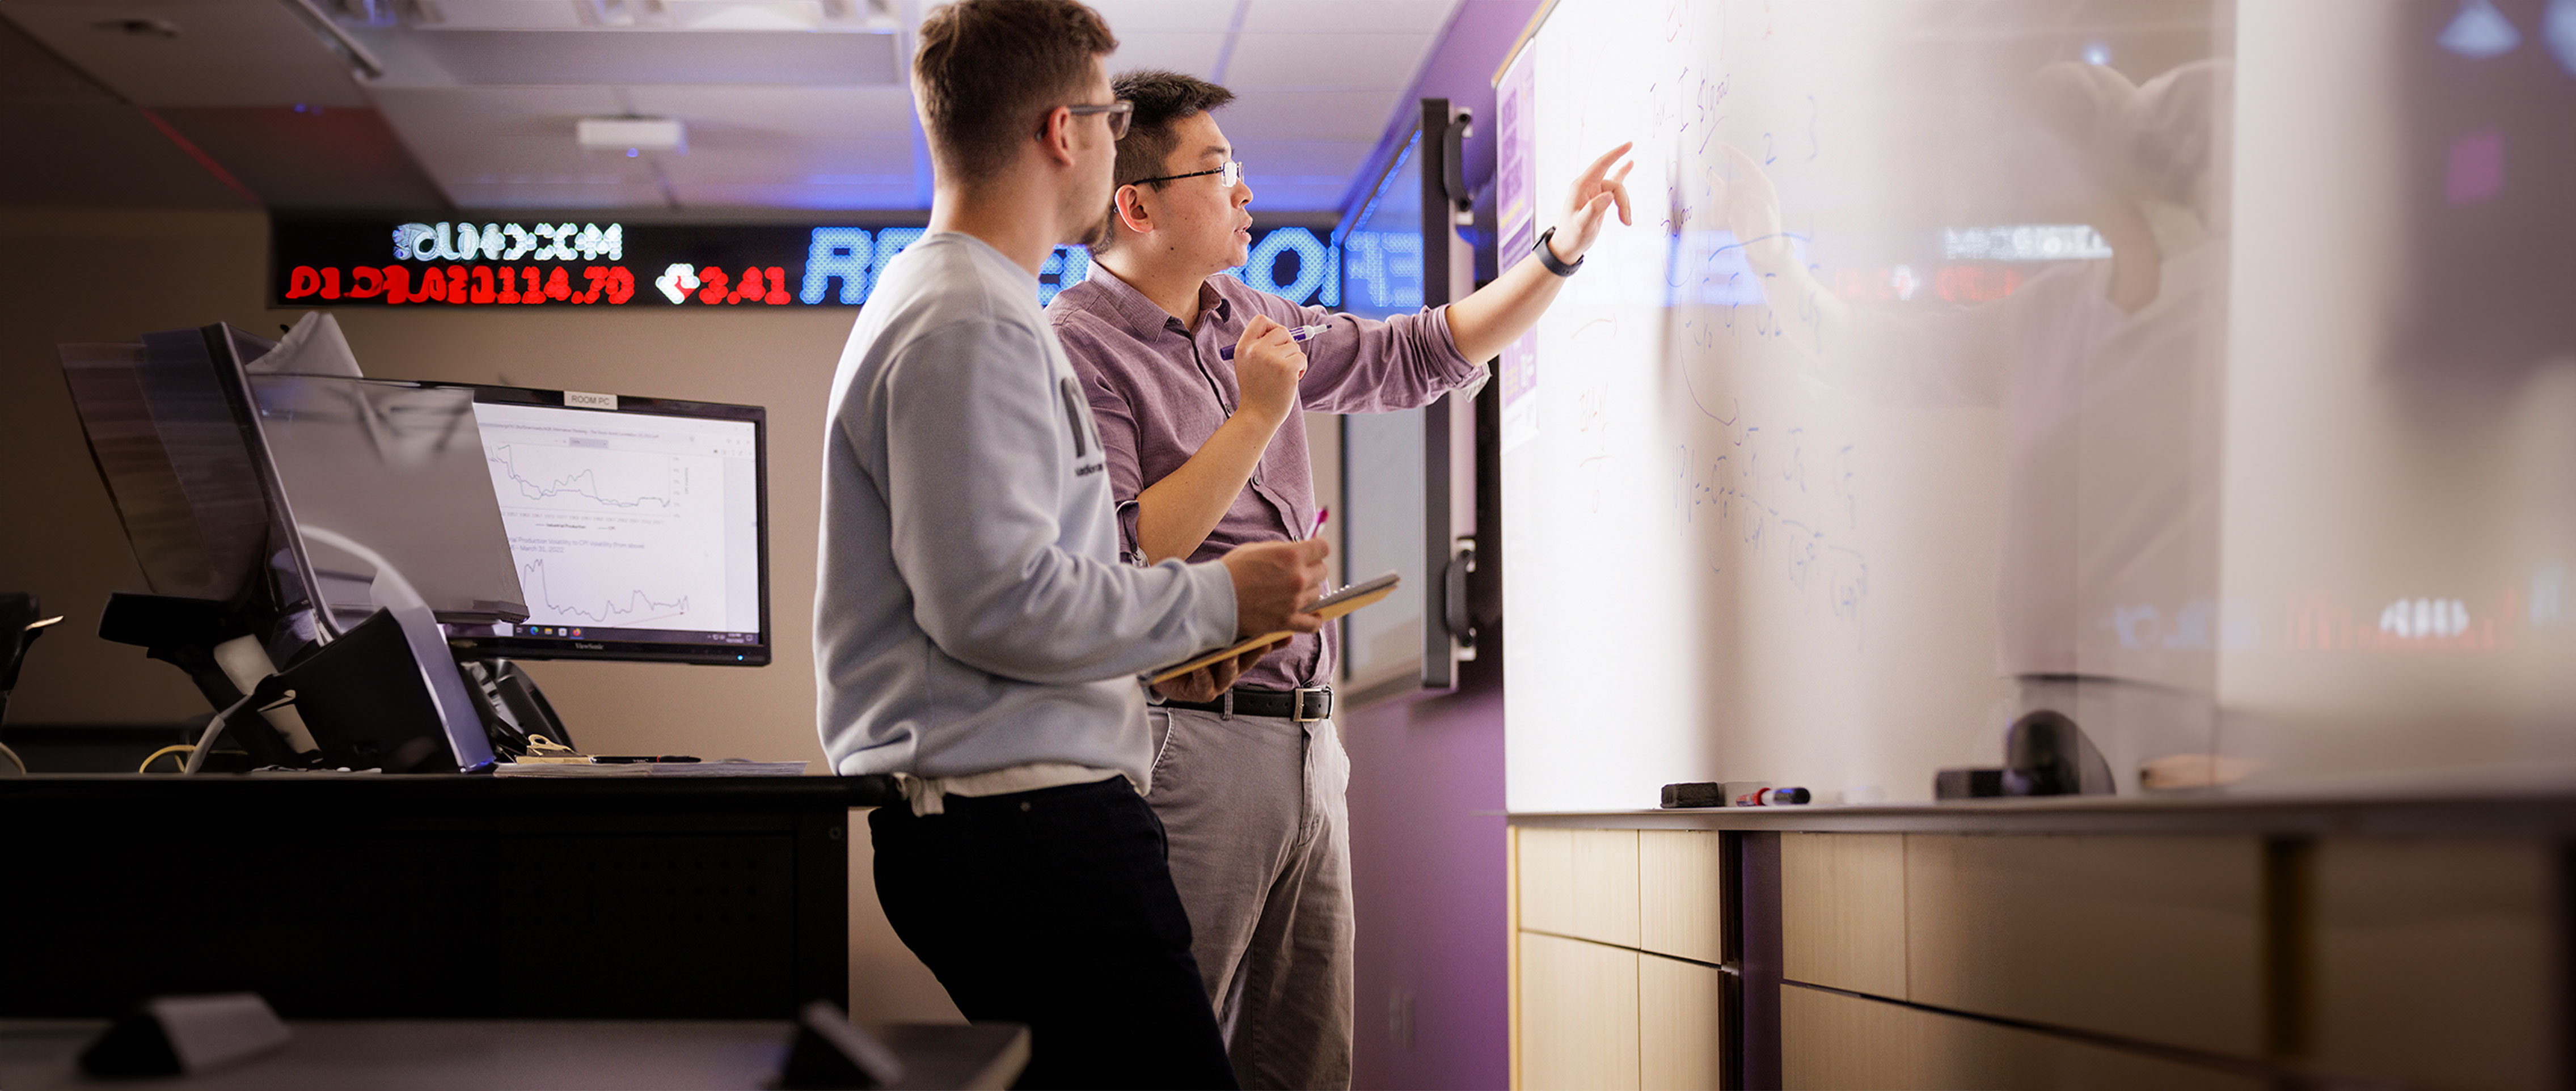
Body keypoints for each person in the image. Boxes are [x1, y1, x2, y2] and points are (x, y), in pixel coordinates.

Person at [1045, 69, 1633, 1089]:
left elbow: (1418, 354)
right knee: (1161, 1060)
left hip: (1310, 745)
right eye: (1217, 171)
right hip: (1188, 744)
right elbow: (1130, 554)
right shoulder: (1073, 348)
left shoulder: (1246, 309)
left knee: (1302, 1063)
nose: (1244, 194)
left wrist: (1559, 252)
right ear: (1136, 205)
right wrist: (1255, 417)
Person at [813, 7, 1333, 1087]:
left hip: (1022, 814)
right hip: (1024, 826)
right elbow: (999, 607)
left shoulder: (976, 304)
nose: (1111, 141)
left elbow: (1042, 585)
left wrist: (1173, 639)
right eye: (1106, 118)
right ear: (1066, 132)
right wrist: (1216, 601)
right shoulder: (969, 320)